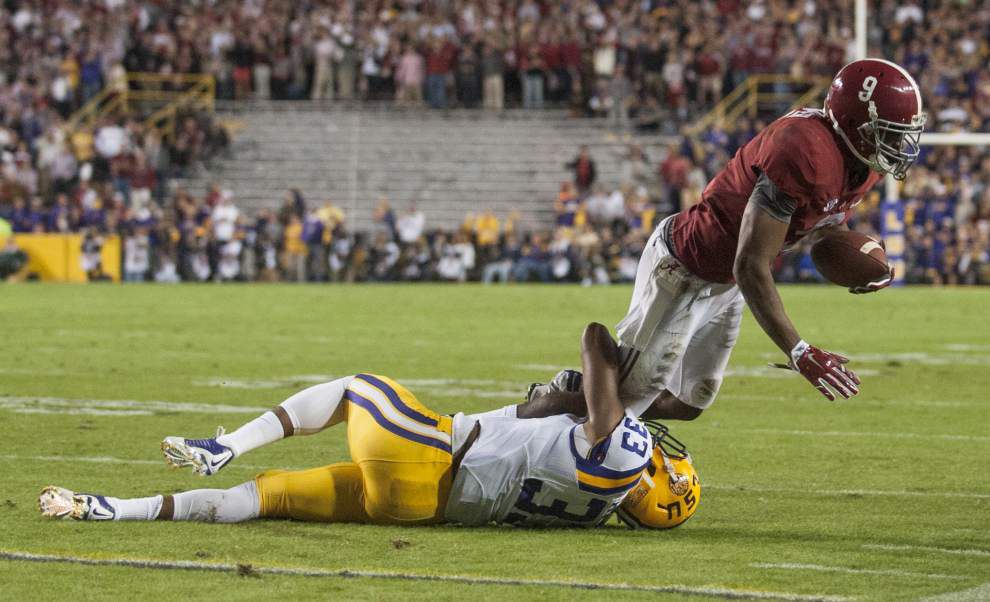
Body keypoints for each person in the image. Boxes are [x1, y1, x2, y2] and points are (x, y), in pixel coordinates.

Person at [525, 59, 924, 421]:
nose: (897, 146)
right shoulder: (803, 150)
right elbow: (750, 264)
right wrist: (799, 351)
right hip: (685, 266)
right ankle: (527, 412)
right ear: (855, 123)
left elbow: (826, 228)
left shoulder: (859, 163)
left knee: (689, 401)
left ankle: (587, 396)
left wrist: (861, 263)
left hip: (725, 281)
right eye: (886, 133)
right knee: (624, 401)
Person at [39, 324, 698, 531]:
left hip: (428, 453)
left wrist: (614, 365)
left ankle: (226, 442)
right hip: (418, 509)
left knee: (357, 387)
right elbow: (567, 417)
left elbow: (595, 346)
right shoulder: (590, 504)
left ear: (651, 475)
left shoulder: (624, 455)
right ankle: (106, 509)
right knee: (265, 499)